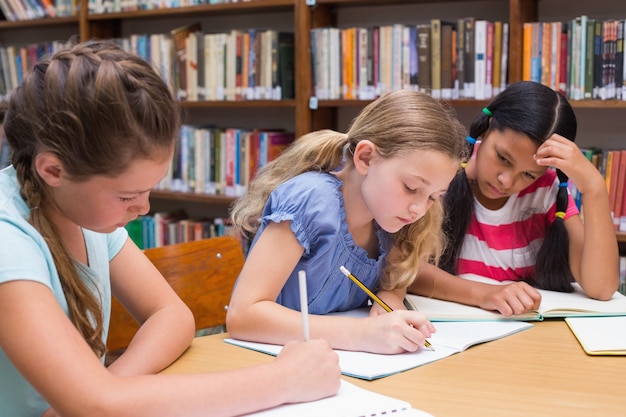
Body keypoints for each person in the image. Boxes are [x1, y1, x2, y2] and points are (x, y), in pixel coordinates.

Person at [0, 41, 340, 417]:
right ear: (53, 171)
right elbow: (95, 405)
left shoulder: (81, 209)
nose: (143, 208)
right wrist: (284, 381)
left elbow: (172, 316)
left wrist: (102, 391)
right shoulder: (8, 241)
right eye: (128, 195)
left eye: (148, 190)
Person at [226, 89, 468, 354]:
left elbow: (395, 280)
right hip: (271, 364)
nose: (420, 209)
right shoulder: (309, 201)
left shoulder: (393, 218)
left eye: (434, 196)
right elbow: (243, 316)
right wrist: (363, 334)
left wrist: (390, 298)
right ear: (365, 157)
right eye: (411, 187)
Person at [409, 81, 619, 317]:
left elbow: (601, 287)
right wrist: (484, 294)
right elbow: (405, 270)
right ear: (486, 129)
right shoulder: (442, 179)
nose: (506, 181)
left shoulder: (546, 190)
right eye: (503, 158)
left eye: (528, 174)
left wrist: (595, 189)